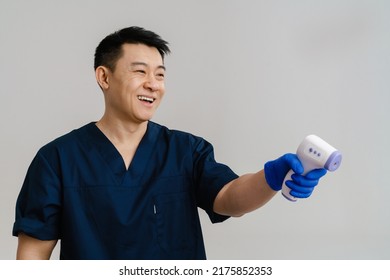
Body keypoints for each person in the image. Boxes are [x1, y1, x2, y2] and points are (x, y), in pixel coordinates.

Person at [13, 26, 327, 260]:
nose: (153, 84)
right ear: (104, 77)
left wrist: (270, 179)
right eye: (139, 71)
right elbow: (32, 259)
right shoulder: (57, 160)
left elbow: (230, 198)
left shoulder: (186, 151)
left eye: (160, 75)